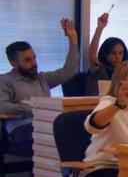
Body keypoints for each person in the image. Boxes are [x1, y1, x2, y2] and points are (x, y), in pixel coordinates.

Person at [0, 18, 80, 169]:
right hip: (21, 129)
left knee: (72, 128)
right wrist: (31, 107)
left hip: (46, 124)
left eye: (34, 58)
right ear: (13, 64)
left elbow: (70, 71)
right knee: (57, 131)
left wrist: (73, 40)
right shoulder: (5, 81)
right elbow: (1, 106)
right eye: (28, 60)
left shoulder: (41, 78)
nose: (34, 63)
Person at [86, 12, 128, 96]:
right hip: (96, 103)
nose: (117, 56)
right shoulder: (99, 69)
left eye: (120, 53)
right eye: (113, 53)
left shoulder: (125, 72)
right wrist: (99, 28)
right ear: (105, 54)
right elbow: (92, 56)